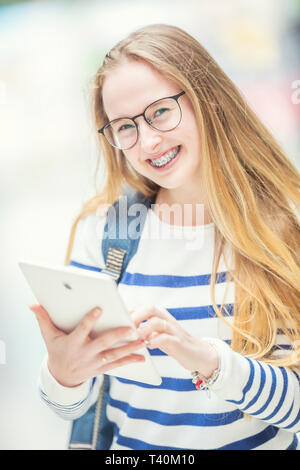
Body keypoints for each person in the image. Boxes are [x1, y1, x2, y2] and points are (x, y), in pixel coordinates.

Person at [30, 24, 300, 450]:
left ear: (206, 99)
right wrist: (63, 375)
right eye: (124, 126)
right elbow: (69, 407)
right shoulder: (106, 231)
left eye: (160, 112)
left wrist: (213, 364)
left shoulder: (285, 228)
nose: (148, 142)